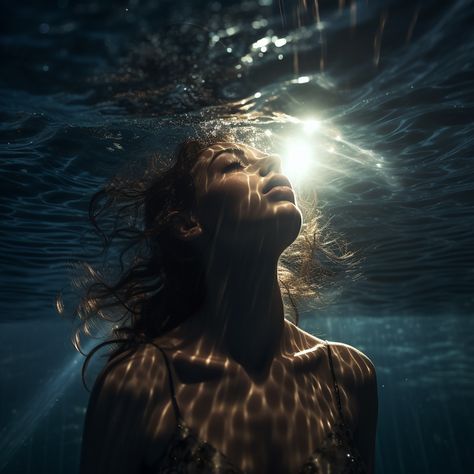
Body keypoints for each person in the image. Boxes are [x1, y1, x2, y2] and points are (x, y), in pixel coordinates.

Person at [76, 135, 378, 474]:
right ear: (188, 223)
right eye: (233, 164)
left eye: (267, 157)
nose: (274, 161)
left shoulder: (349, 374)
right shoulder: (138, 384)